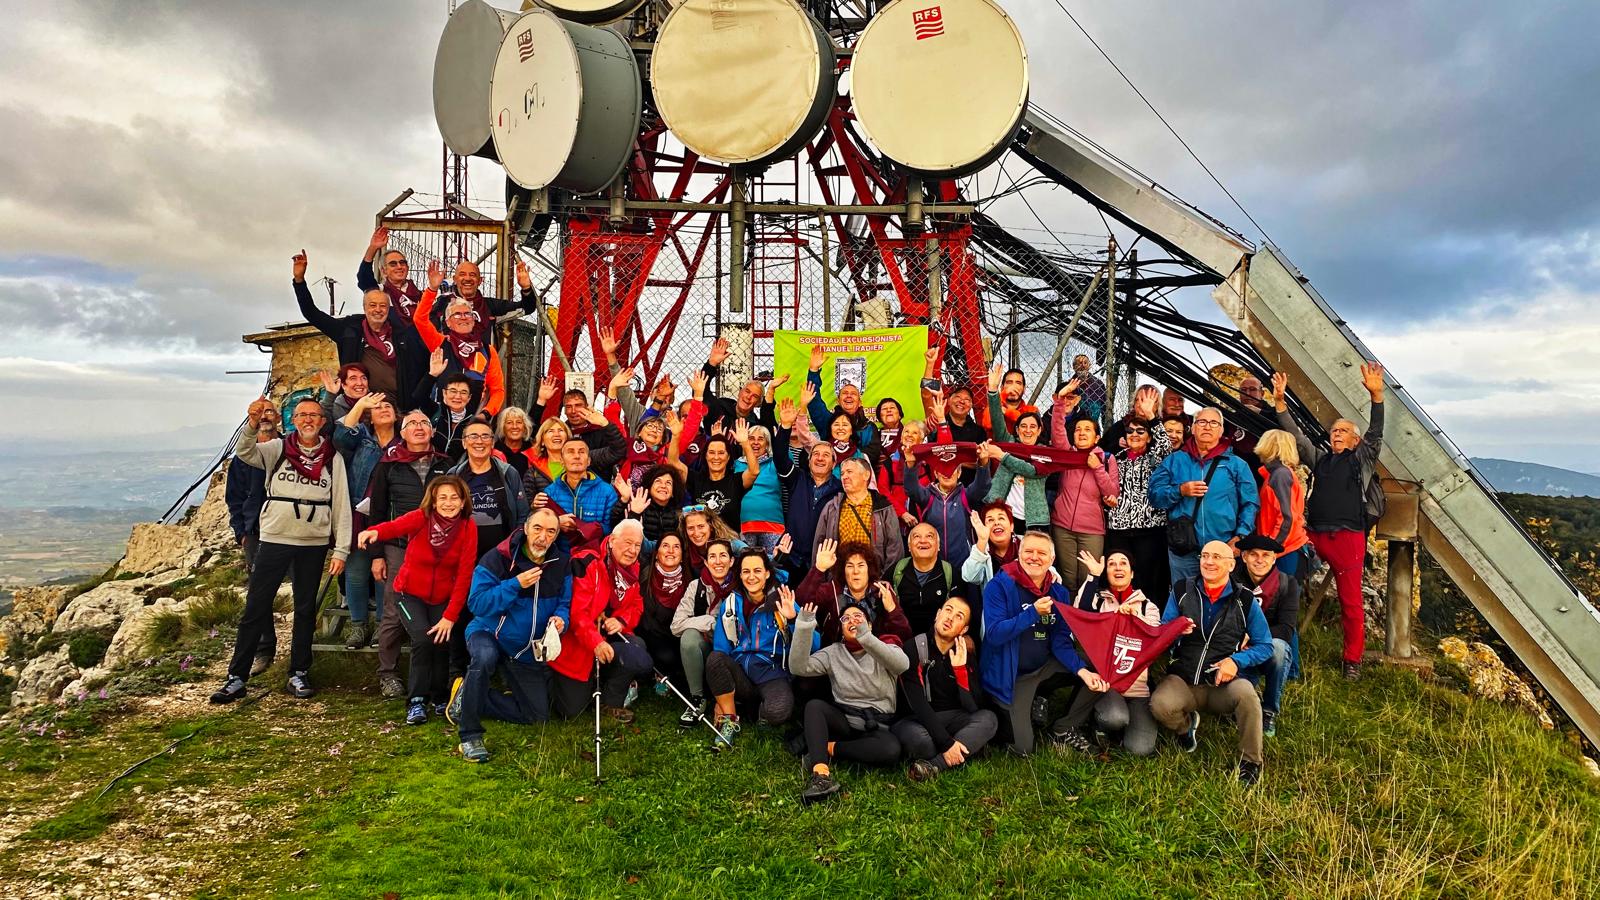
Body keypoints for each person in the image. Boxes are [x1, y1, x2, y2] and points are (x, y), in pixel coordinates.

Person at [211, 397, 350, 704]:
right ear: (294, 420)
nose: (309, 420)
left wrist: (341, 549)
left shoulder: (332, 458)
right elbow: (246, 452)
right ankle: (237, 677)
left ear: (323, 422)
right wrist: (251, 423)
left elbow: (341, 504)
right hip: (274, 538)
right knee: (256, 606)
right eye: (303, 415)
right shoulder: (278, 449)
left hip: (312, 541)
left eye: (314, 415)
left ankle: (298, 672)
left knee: (304, 609)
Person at [1271, 364, 1385, 678]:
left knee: (1351, 603)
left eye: (1343, 431)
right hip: (1314, 536)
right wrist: (1281, 403)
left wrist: (1377, 397)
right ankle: (1282, 647)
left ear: (1355, 441)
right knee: (1285, 584)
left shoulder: (1361, 460)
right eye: (1334, 430)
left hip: (1348, 538)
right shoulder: (1321, 460)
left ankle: (1352, 661)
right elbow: (1296, 436)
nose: (1336, 434)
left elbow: (1375, 434)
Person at [355, 476, 479, 725]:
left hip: (442, 596)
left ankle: (440, 696)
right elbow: (396, 526)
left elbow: (465, 575)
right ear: (433, 501)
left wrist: (450, 616)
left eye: (454, 497)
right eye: (442, 497)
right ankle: (416, 701)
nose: (448, 502)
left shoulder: (468, 527)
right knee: (423, 638)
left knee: (441, 640)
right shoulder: (422, 517)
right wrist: (374, 531)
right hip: (408, 593)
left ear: (464, 500)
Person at [452, 507, 571, 762]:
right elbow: (477, 603)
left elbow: (565, 601)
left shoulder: (560, 563)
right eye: (537, 528)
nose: (543, 536)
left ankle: (469, 694)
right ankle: (470, 735)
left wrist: (562, 619)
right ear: (526, 528)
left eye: (551, 531)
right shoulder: (499, 557)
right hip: (489, 633)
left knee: (538, 716)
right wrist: (515, 584)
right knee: (483, 658)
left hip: (525, 650)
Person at [1151, 541, 1274, 786]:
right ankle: (1186, 727)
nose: (1209, 561)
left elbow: (1266, 646)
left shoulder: (1245, 600)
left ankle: (1250, 762)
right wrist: (1175, 631)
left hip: (1222, 684)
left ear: (1231, 564)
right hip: (1184, 679)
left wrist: (1236, 662)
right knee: (1160, 705)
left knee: (1248, 696)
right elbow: (1161, 633)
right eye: (1205, 556)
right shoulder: (1182, 589)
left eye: (1217, 557)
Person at [980, 532, 1107, 756]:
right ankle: (1023, 704)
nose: (1034, 557)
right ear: (1019, 555)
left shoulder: (1058, 592)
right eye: (1029, 551)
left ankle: (1064, 727)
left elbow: (1060, 641)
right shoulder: (998, 586)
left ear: (1051, 560)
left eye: (1042, 553)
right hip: (1012, 677)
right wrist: (1033, 614)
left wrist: (1082, 671)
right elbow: (994, 635)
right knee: (1022, 749)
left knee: (1099, 667)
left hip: (1044, 666)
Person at [367, 410, 455, 698]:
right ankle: (388, 673)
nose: (419, 428)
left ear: (432, 431)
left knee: (438, 608)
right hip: (399, 549)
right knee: (393, 610)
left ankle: (436, 674)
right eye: (411, 424)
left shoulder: (446, 465)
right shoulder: (388, 465)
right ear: (401, 433)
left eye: (424, 423)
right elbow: (377, 512)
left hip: (440, 550)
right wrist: (377, 554)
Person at [790, 595, 911, 804]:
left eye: (858, 617)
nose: (852, 621)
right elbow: (799, 667)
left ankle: (827, 747)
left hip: (878, 727)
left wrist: (866, 637)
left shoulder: (885, 648)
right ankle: (820, 775)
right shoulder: (834, 652)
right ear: (842, 630)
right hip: (845, 721)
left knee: (891, 750)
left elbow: (902, 665)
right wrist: (803, 626)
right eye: (846, 619)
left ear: (870, 625)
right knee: (815, 706)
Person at [1045, 551, 1162, 756]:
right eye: (1111, 564)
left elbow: (1153, 641)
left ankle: (1125, 725)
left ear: (1132, 573)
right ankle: (1100, 724)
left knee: (1140, 749)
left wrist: (1134, 618)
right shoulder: (1098, 601)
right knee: (1115, 717)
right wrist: (1093, 576)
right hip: (1108, 685)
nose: (1118, 567)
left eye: (1123, 563)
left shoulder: (1147, 606)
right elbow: (1080, 614)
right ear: (1106, 572)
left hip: (1138, 688)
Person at [549, 520, 654, 722]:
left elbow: (637, 605)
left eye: (638, 545)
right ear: (613, 541)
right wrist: (595, 642)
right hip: (579, 643)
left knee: (638, 652)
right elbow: (577, 613)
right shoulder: (587, 562)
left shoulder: (633, 567)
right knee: (571, 712)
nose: (633, 550)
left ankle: (610, 702)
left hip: (610, 635)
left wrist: (621, 621)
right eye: (628, 543)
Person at [293, 249, 427, 406]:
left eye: (383, 306)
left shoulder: (401, 333)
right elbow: (311, 313)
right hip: (359, 408)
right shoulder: (350, 330)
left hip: (398, 408)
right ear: (364, 308)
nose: (378, 310)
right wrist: (299, 280)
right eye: (373, 305)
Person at [706, 550, 807, 746]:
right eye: (746, 571)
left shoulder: (782, 599)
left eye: (757, 571)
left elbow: (813, 645)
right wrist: (718, 699)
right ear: (740, 574)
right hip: (741, 672)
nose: (751, 577)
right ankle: (730, 718)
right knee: (715, 658)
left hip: (772, 673)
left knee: (779, 711)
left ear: (767, 573)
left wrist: (794, 619)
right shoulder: (732, 602)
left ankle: (758, 712)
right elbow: (721, 645)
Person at [1148, 407, 1260, 583]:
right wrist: (1179, 491)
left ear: (1221, 430)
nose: (1207, 427)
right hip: (1184, 549)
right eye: (1202, 422)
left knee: (1220, 604)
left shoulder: (1237, 465)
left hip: (1222, 547)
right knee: (1184, 601)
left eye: (1214, 423)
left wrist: (1240, 537)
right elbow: (1154, 495)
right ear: (1193, 428)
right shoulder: (1175, 460)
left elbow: (1251, 503)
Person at [894, 596, 998, 780]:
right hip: (916, 720)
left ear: (964, 629)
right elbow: (917, 705)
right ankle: (966, 748)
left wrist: (960, 671)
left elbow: (974, 707)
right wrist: (947, 743)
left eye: (959, 616)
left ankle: (934, 765)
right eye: (948, 610)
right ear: (938, 614)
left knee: (989, 719)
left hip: (953, 717)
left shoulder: (965, 653)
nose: (950, 618)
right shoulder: (914, 648)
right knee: (920, 741)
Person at [332, 391, 398, 649]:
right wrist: (360, 405)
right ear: (369, 417)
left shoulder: (403, 445)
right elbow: (339, 436)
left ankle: (382, 626)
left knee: (383, 573)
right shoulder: (361, 442)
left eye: (388, 407)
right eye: (378, 408)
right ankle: (358, 625)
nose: (383, 410)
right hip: (358, 515)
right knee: (357, 573)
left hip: (390, 517)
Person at [223, 403, 278, 673]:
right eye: (261, 413)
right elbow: (233, 498)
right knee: (259, 594)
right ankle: (264, 650)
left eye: (270, 412)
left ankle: (301, 654)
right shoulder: (243, 460)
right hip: (256, 532)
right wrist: (241, 533)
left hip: (292, 531)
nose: (265, 417)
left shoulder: (288, 449)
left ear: (278, 418)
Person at [1105, 389, 1175, 599]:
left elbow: (1166, 446)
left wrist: (1151, 415)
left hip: (1149, 529)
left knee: (1150, 579)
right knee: (1121, 577)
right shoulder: (1116, 458)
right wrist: (1105, 498)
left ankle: (1151, 620)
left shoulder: (1155, 458)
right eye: (1130, 431)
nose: (1134, 434)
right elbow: (1105, 484)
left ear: (1149, 436)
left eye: (1140, 431)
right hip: (1119, 528)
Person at [1049, 382, 1119, 589]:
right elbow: (1057, 431)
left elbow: (1112, 492)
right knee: (1068, 580)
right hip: (1062, 526)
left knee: (1089, 580)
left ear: (1097, 437)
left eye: (1087, 430)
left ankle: (1087, 618)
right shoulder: (1067, 454)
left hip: (1091, 530)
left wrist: (1097, 468)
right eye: (1078, 429)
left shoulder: (1106, 459)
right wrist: (1060, 401)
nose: (1081, 433)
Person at [414, 266, 507, 417]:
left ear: (474, 319)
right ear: (448, 323)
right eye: (457, 314)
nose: (463, 317)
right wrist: (432, 289)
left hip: (473, 420)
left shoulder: (487, 350)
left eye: (467, 314)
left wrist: (485, 414)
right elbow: (420, 319)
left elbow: (497, 390)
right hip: (441, 418)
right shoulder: (440, 343)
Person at [1233, 534, 1299, 738]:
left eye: (1266, 555)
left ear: (1274, 559)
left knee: (1279, 649)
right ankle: (1239, 698)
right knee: (1234, 707)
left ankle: (1269, 709)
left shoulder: (1287, 584)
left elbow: (1286, 629)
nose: (1259, 560)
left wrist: (1254, 638)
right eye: (1253, 555)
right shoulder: (1232, 581)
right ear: (1243, 557)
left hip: (1266, 645)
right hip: (1236, 647)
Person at [668, 537, 736, 725]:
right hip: (708, 647)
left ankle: (729, 699)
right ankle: (697, 699)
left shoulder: (740, 586)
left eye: (723, 556)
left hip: (734, 651)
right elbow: (676, 626)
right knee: (689, 637)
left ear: (731, 561)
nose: (718, 561)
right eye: (712, 557)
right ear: (706, 562)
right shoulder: (696, 586)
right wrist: (710, 622)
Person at [797, 539, 915, 646]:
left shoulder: (882, 592)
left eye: (861, 565)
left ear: (869, 569)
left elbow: (904, 636)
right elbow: (801, 603)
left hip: (874, 660)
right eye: (850, 566)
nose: (856, 571)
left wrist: (892, 610)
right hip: (836, 657)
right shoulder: (831, 591)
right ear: (843, 571)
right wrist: (819, 569)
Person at [772, 399, 841, 573]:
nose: (819, 458)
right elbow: (780, 457)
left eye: (826, 455)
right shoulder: (797, 479)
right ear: (808, 461)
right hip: (791, 558)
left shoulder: (841, 490)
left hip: (822, 562)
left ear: (833, 464)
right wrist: (786, 426)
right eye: (815, 454)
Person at [904, 438, 991, 569]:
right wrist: (911, 463)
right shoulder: (928, 496)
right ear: (935, 473)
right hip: (934, 564)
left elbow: (982, 486)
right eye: (942, 469)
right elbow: (911, 489)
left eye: (952, 469)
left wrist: (983, 462)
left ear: (959, 473)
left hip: (963, 562)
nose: (947, 473)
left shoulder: (965, 495)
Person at [812, 457, 904, 569]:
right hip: (838, 577)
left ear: (866, 475)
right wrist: (819, 575)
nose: (844, 476)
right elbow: (819, 544)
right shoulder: (831, 507)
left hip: (874, 577)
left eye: (849, 472)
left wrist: (886, 578)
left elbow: (894, 547)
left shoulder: (883, 507)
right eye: (842, 473)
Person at [668, 422, 759, 530]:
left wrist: (745, 443)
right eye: (711, 452)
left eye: (721, 453)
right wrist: (675, 436)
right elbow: (673, 462)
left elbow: (754, 471)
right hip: (701, 540)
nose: (716, 457)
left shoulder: (736, 480)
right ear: (705, 456)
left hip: (730, 541)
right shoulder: (696, 479)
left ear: (728, 457)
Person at [541, 439, 621, 554]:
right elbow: (541, 526)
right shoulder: (550, 492)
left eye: (581, 452)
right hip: (559, 558)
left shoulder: (607, 491)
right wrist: (556, 523)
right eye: (570, 452)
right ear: (562, 461)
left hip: (593, 559)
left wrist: (589, 529)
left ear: (588, 461)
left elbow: (613, 528)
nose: (577, 456)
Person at [889, 523, 965, 637]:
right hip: (902, 642)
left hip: (939, 642)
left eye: (929, 536)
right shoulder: (896, 571)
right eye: (916, 536)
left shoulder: (951, 574)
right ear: (909, 546)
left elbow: (961, 612)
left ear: (938, 545)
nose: (923, 541)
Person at [1253, 429, 1309, 579]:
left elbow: (1286, 517)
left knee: (1283, 600)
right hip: (1284, 550)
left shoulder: (1280, 475)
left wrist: (1269, 548)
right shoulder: (1276, 474)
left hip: (1285, 551)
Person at [735, 425, 785, 554]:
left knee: (773, 565)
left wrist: (780, 440)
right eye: (751, 438)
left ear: (767, 443)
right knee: (745, 564)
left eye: (761, 439)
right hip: (744, 523)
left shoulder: (776, 462)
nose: (756, 442)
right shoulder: (736, 464)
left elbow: (786, 456)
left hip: (773, 524)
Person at [357, 226, 423, 320]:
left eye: (402, 263)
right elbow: (364, 277)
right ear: (384, 271)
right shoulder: (380, 291)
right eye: (393, 264)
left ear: (407, 268)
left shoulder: (420, 295)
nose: (399, 267)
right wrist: (373, 247)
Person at [962, 503, 1022, 597]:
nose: (996, 523)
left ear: (1011, 526)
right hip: (995, 608)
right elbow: (969, 577)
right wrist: (982, 540)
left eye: (1001, 518)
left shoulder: (1026, 544)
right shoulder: (982, 549)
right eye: (990, 520)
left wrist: (1052, 572)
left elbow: (1046, 565)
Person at [491, 406, 538, 481]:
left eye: (519, 422)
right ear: (503, 427)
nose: (514, 426)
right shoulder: (493, 453)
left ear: (525, 427)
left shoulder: (534, 453)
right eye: (509, 422)